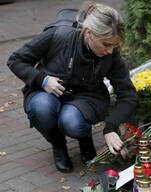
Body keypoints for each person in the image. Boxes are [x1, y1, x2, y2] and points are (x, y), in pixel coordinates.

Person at [6, 2, 138, 173]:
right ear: (89, 34)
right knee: (41, 109)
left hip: (87, 96)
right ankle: (58, 145)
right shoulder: (58, 35)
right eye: (106, 44)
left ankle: (84, 137)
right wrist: (43, 80)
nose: (111, 51)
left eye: (114, 45)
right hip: (47, 91)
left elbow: (128, 94)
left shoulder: (110, 55)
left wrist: (110, 127)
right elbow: (15, 60)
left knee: (72, 121)